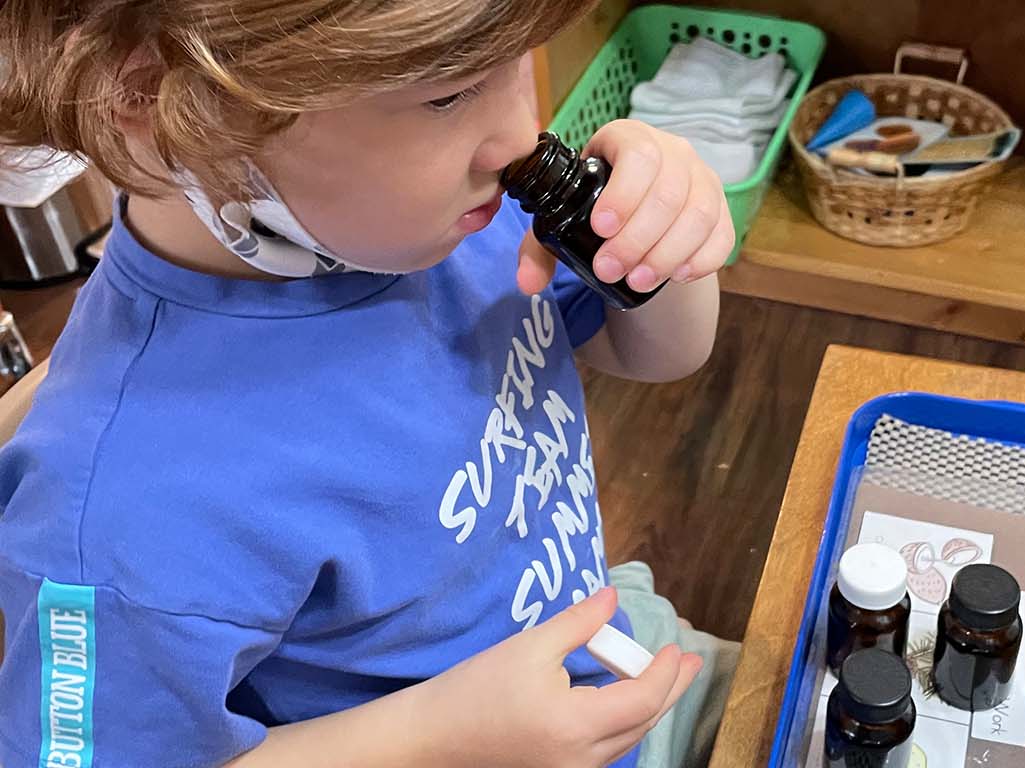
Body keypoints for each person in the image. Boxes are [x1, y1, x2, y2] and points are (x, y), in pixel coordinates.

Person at [0, 2, 739, 766]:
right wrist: (433, 743)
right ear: (155, 100)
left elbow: (659, 355)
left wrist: (667, 245)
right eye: (448, 93)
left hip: (609, 636)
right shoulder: (126, 505)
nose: (523, 137)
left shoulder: (435, 217)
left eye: (517, 56)